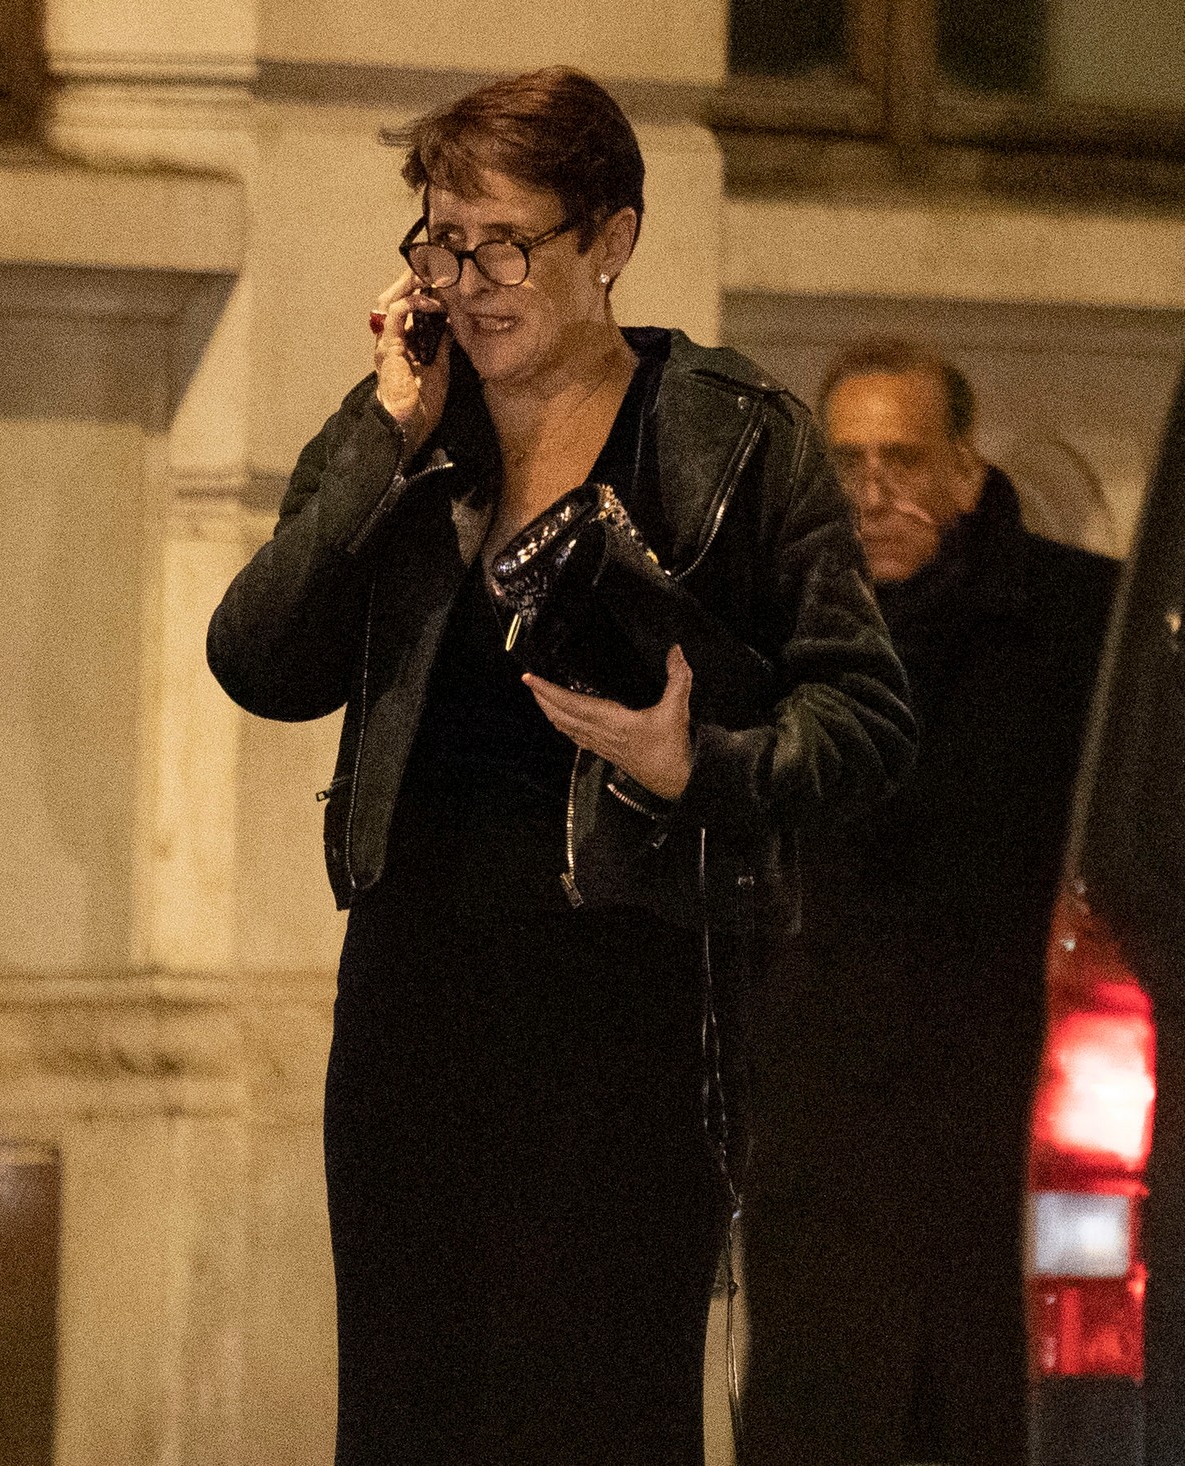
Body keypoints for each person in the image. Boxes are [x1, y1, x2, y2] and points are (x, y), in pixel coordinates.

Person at [207, 70, 914, 1466]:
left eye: (503, 243)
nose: (466, 282)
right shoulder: (410, 432)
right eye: (438, 240)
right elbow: (260, 659)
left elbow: (869, 718)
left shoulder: (726, 435)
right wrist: (376, 443)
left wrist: (698, 761)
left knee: (593, 1408)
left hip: (631, 1011)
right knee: (409, 1407)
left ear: (612, 240)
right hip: (414, 1002)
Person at [741, 335, 1119, 1466]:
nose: (874, 492)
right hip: (821, 1116)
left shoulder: (1073, 624)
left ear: (964, 467)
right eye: (848, 461)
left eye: (902, 459)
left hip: (1005, 1113)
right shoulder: (772, 633)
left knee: (996, 1412)